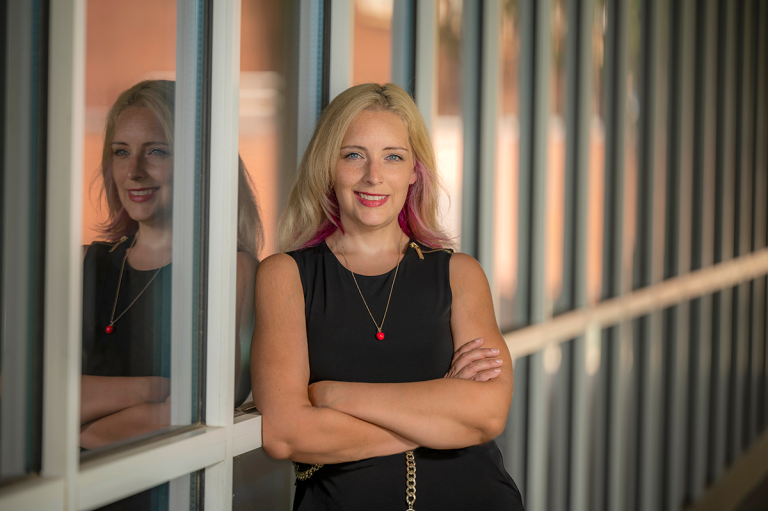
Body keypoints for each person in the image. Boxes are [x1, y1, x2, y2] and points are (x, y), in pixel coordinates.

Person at [251, 83, 524, 510]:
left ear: (415, 169)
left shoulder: (460, 274)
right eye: (353, 155)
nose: (373, 176)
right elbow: (286, 433)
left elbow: (487, 416)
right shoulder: (285, 276)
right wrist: (441, 413)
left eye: (392, 157)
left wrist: (333, 397)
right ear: (328, 165)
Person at [80, 80, 261, 452]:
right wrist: (148, 389)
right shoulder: (80, 264)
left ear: (202, 162)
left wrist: (72, 431)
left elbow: (194, 411)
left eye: (157, 151)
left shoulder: (232, 272)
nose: (133, 171)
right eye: (120, 152)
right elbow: (18, 393)